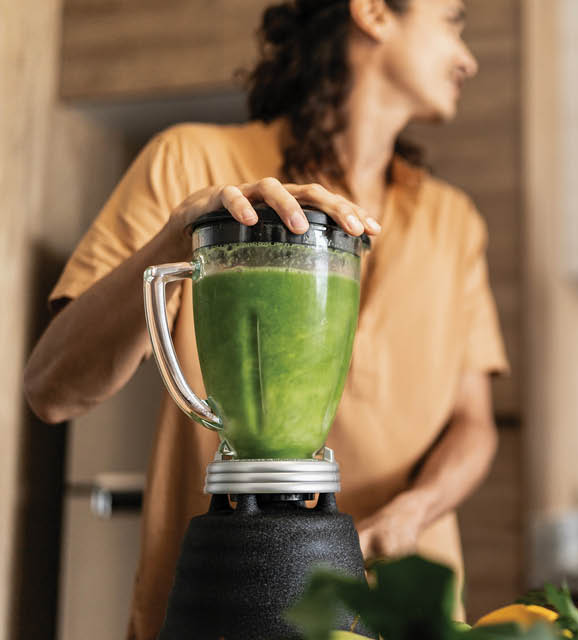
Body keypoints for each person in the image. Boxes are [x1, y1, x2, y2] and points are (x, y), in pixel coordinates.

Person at [23, 0, 506, 637]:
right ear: (373, 13)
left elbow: (475, 424)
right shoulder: (191, 162)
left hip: (409, 613)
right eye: (452, 21)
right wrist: (178, 240)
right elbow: (51, 390)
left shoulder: (455, 222)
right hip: (225, 601)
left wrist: (414, 511)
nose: (468, 58)